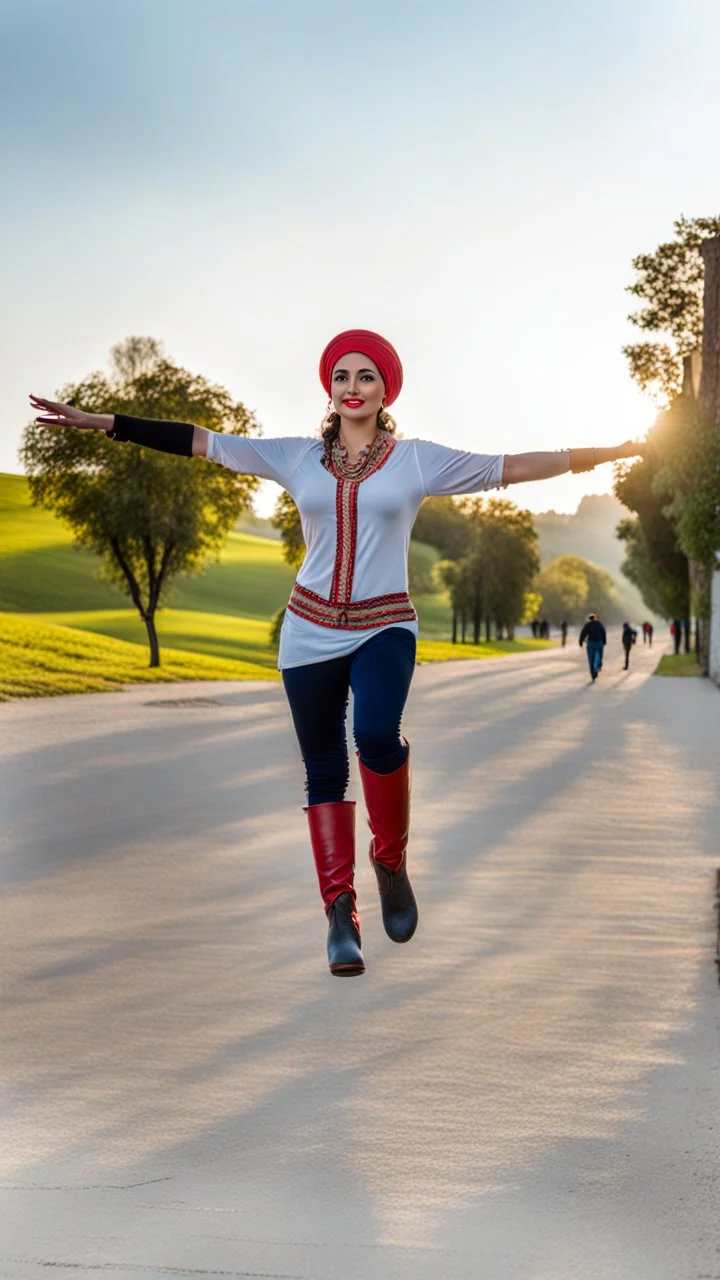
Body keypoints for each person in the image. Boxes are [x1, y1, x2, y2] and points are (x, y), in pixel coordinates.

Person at [30, 331, 643, 977]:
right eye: (342, 376)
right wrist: (104, 423)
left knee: (376, 736)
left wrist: (609, 454)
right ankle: (340, 914)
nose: (353, 387)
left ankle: (391, 860)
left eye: (366, 377)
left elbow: (511, 465)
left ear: (386, 392)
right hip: (310, 629)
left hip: (385, 626)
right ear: (330, 389)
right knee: (324, 770)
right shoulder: (295, 458)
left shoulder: (417, 462)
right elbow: (200, 442)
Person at [579, 612, 607, 681]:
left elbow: (583, 633)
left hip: (591, 643)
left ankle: (593, 674)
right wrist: (604, 641)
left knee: (591, 659)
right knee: (599, 656)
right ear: (595, 618)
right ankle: (598, 666)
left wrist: (580, 641)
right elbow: (603, 632)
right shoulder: (600, 623)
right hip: (599, 642)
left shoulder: (588, 624)